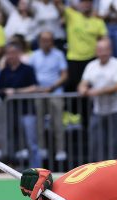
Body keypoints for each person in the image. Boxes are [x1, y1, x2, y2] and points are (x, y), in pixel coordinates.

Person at [78, 37, 117, 161]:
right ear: (96, 51)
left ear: (110, 50)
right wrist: (83, 89)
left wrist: (98, 91)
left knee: (115, 145)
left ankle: (116, 174)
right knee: (96, 144)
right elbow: (83, 83)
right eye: (100, 50)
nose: (102, 53)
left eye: (105, 50)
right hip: (98, 110)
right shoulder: (91, 65)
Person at [0, 41, 41, 168]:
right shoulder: (4, 71)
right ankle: (12, 169)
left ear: (19, 54)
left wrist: (15, 92)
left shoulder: (27, 69)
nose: (11, 56)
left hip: (27, 110)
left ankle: (36, 170)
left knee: (31, 142)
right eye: (8, 53)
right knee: (11, 142)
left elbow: (34, 87)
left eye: (13, 53)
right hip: (10, 112)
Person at [31, 31, 68, 163]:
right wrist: (38, 88)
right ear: (39, 41)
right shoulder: (34, 55)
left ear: (52, 42)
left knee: (58, 122)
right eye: (43, 40)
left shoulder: (58, 55)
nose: (46, 43)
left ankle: (60, 150)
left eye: (48, 40)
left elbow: (64, 75)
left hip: (55, 91)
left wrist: (52, 87)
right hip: (39, 92)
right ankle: (42, 148)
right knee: (39, 122)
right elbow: (31, 74)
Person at [63, 0, 107, 92]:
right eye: (83, 2)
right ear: (79, 4)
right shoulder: (72, 15)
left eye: (88, 2)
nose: (86, 4)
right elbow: (57, 3)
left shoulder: (98, 20)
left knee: (89, 89)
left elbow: (104, 40)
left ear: (92, 4)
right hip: (74, 59)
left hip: (91, 60)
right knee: (73, 89)